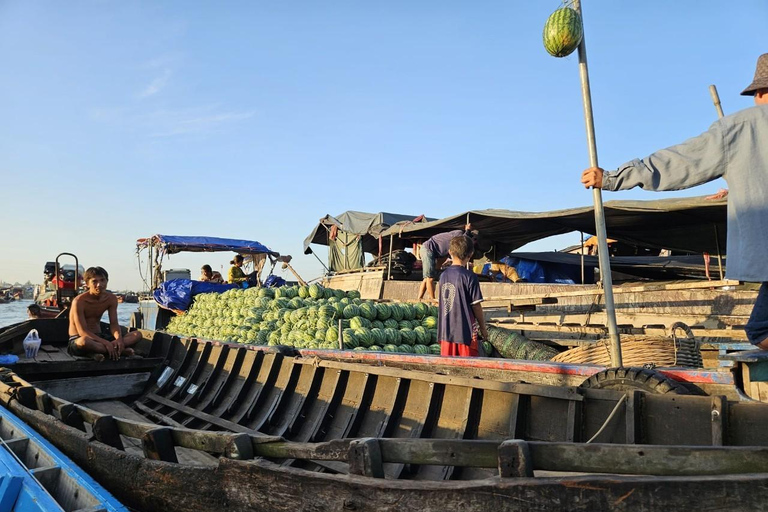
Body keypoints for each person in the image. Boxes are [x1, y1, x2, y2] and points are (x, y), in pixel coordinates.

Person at [580, 52, 768, 349]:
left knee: (759, 330)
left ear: (759, 92)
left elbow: (679, 163)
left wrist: (615, 178)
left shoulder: (739, 128)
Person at [68, 266, 142, 361]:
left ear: (107, 281)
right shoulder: (79, 301)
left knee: (137, 335)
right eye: (94, 281)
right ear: (87, 284)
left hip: (100, 337)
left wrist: (119, 340)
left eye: (102, 280)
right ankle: (118, 350)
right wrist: (107, 343)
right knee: (84, 342)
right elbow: (83, 332)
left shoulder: (111, 299)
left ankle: (110, 349)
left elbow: (114, 324)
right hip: (79, 338)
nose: (99, 284)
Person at [437, 235, 490, 357]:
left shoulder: (443, 276)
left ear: (450, 252)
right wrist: (483, 328)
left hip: (446, 332)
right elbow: (476, 306)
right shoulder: (470, 276)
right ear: (470, 254)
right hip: (466, 334)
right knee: (468, 369)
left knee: (448, 368)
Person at [418, 223, 474, 302]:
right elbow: (464, 238)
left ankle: (419, 299)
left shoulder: (451, 248)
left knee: (427, 278)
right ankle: (433, 301)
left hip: (435, 253)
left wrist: (438, 269)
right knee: (430, 278)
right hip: (428, 249)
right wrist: (468, 230)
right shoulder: (458, 233)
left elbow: (445, 258)